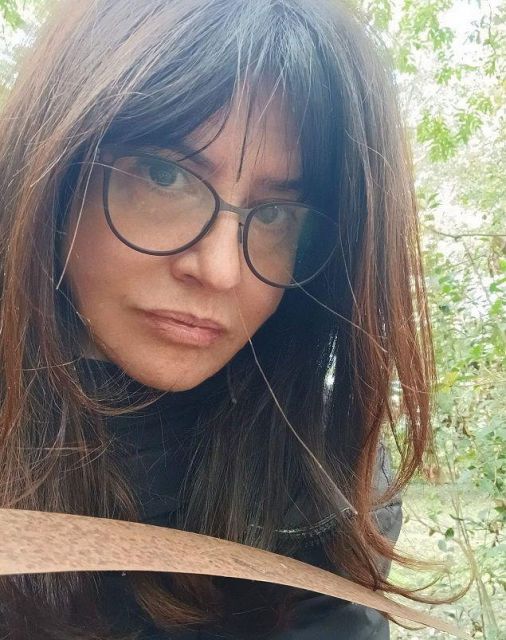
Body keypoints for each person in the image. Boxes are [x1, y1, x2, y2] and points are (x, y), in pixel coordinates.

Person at [0, 0, 435, 638]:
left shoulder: (319, 466)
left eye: (275, 213)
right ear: (54, 173)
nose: (221, 269)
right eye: (164, 175)